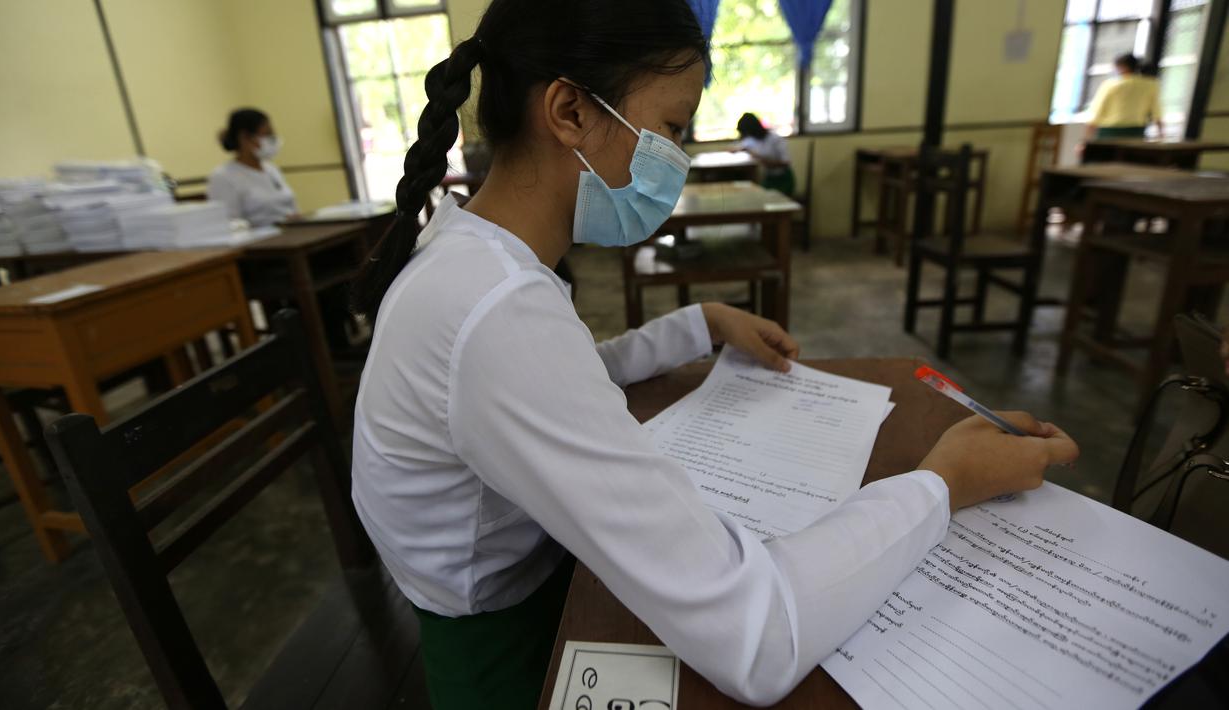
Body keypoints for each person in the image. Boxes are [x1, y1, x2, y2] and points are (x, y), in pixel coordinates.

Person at [347, 1, 1079, 708]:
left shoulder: (472, 257)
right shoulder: (494, 307)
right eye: (670, 128)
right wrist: (942, 483)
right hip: (501, 651)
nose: (680, 159)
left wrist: (699, 323)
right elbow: (754, 638)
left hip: (514, 586)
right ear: (569, 111)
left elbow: (564, 378)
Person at [207, 108, 298, 227]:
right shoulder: (223, 176)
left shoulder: (271, 169)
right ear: (244, 137)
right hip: (262, 242)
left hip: (292, 233)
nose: (272, 141)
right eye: (267, 135)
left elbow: (291, 207)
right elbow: (231, 225)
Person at [1082, 54, 1163, 146]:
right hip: (1136, 132)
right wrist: (1161, 134)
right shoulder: (1150, 85)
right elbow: (1157, 112)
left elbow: (1096, 113)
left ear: (1121, 67)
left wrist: (1086, 139)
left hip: (1109, 132)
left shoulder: (1110, 85)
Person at [736, 112, 795, 195]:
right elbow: (741, 146)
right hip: (768, 178)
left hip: (783, 179)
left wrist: (763, 160)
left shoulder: (775, 139)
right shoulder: (753, 141)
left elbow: (786, 162)